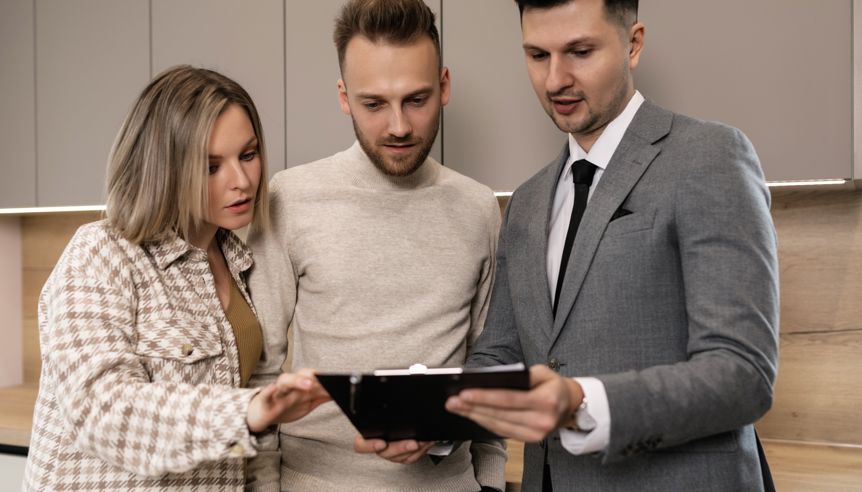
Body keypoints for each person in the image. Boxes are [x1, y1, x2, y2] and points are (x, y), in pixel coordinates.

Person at [445, 0, 779, 490]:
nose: (555, 79)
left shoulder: (710, 157)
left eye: (579, 51)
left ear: (634, 43)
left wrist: (579, 401)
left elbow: (743, 373)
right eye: (538, 55)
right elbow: (499, 358)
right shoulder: (526, 202)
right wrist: (430, 427)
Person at [22, 65, 329, 491]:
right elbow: (99, 411)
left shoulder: (240, 261)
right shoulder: (102, 253)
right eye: (210, 167)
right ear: (163, 167)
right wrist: (245, 411)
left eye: (248, 154)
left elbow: (254, 430)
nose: (241, 182)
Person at [246, 0, 506, 490]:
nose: (399, 127)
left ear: (444, 86)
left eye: (416, 99)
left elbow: (487, 362)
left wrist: (489, 483)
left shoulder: (478, 209)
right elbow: (260, 373)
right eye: (374, 104)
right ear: (344, 97)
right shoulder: (289, 198)